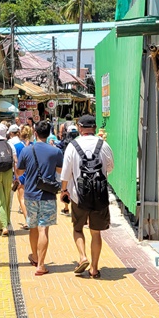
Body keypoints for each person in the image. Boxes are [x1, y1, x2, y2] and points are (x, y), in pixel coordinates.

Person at [60, 114, 115, 279]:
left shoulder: (72, 146)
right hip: (99, 195)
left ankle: (83, 256)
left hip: (79, 196)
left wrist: (64, 191)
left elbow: (65, 174)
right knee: (96, 233)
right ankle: (94, 268)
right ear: (94, 127)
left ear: (80, 127)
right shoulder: (104, 145)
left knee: (78, 229)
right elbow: (110, 167)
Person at [17, 121, 65, 276]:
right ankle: (41, 265)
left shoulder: (26, 150)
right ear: (49, 133)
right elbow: (60, 170)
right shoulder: (55, 151)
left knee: (33, 227)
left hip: (30, 194)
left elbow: (18, 172)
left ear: (35, 133)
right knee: (43, 228)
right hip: (48, 195)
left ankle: (35, 257)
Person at [7, 124, 27, 228]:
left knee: (21, 198)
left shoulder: (9, 144)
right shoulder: (23, 144)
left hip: (18, 173)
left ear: (10, 133)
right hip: (26, 172)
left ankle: (27, 221)